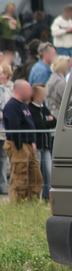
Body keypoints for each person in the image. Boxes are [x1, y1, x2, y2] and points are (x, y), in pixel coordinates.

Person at [2, 79, 43, 202]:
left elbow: (30, 124)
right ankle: (17, 205)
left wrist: (33, 142)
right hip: (19, 145)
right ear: (20, 90)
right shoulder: (11, 106)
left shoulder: (24, 104)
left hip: (29, 144)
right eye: (28, 89)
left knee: (36, 177)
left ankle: (32, 204)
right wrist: (20, 147)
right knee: (20, 177)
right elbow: (15, 128)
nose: (31, 92)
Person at [28, 84, 56, 200]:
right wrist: (47, 122)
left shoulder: (43, 108)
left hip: (46, 145)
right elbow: (39, 125)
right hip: (38, 145)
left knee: (48, 172)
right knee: (37, 173)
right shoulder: (31, 108)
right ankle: (35, 196)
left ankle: (46, 197)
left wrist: (48, 122)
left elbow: (54, 121)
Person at [0, 62, 14, 194]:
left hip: (4, 131)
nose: (2, 77)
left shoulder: (8, 89)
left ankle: (3, 185)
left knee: (4, 158)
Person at [45, 55, 70, 119]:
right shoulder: (60, 82)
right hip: (58, 115)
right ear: (63, 67)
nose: (68, 67)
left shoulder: (52, 79)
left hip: (51, 113)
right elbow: (66, 100)